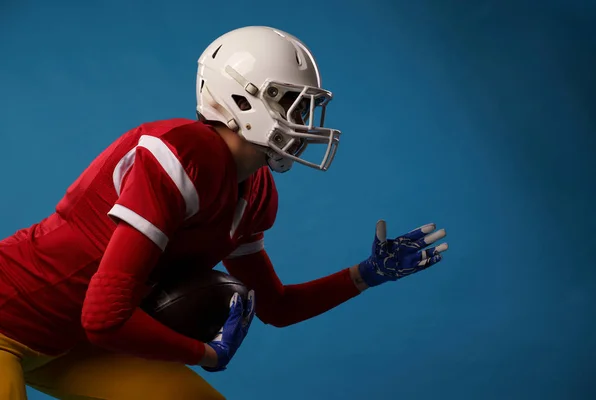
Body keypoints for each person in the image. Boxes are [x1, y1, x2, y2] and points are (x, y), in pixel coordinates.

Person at [0, 26, 449, 400]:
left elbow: (275, 306)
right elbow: (104, 315)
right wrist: (204, 354)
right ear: (239, 100)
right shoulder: (180, 154)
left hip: (68, 341)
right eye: (290, 102)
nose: (306, 121)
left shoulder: (255, 190)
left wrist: (365, 274)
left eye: (307, 107)